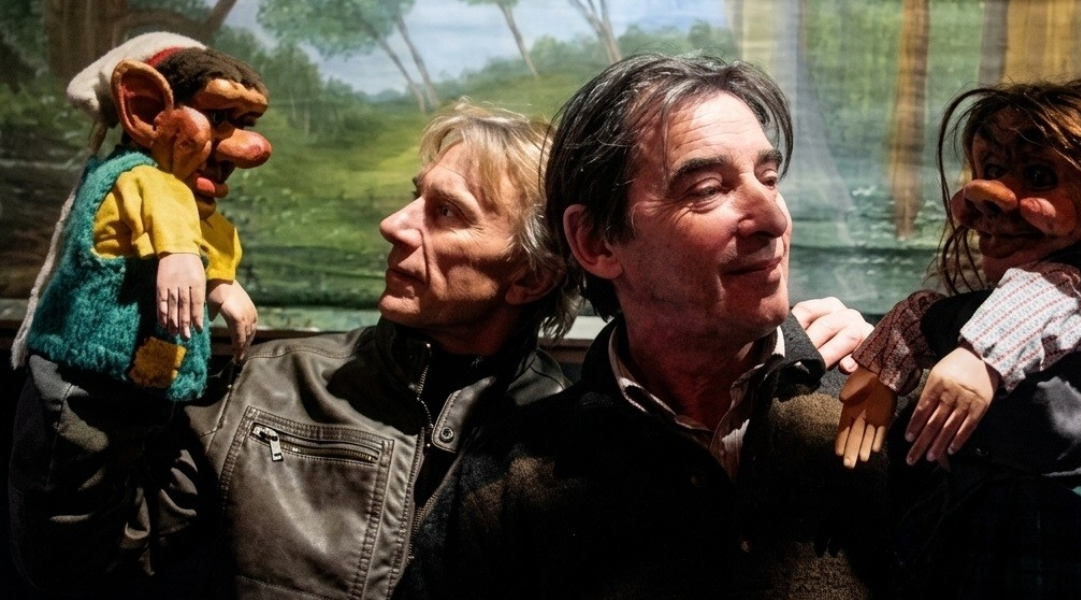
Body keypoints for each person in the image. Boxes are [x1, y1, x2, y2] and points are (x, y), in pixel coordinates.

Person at [8, 83, 869, 599]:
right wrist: (97, 355)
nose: (394, 224)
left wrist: (889, 351)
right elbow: (78, 565)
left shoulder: (569, 438)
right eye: (414, 195)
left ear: (532, 273)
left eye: (445, 212)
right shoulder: (269, 386)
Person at [400, 54, 891, 600]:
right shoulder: (510, 478)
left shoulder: (881, 401)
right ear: (596, 242)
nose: (774, 219)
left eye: (769, 178)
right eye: (707, 189)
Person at [836, 80, 1081, 599]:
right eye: (990, 170)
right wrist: (882, 370)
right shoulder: (989, 301)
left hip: (1062, 525)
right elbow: (927, 315)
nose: (988, 197)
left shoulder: (1078, 285)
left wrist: (980, 356)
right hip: (978, 512)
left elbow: (1045, 300)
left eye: (1038, 176)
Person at [11, 32, 269, 401]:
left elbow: (206, 229)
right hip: (83, 387)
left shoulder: (188, 201)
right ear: (147, 112)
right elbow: (164, 201)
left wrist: (220, 280)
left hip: (142, 386)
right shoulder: (133, 177)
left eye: (245, 123)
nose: (248, 149)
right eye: (217, 117)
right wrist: (180, 252)